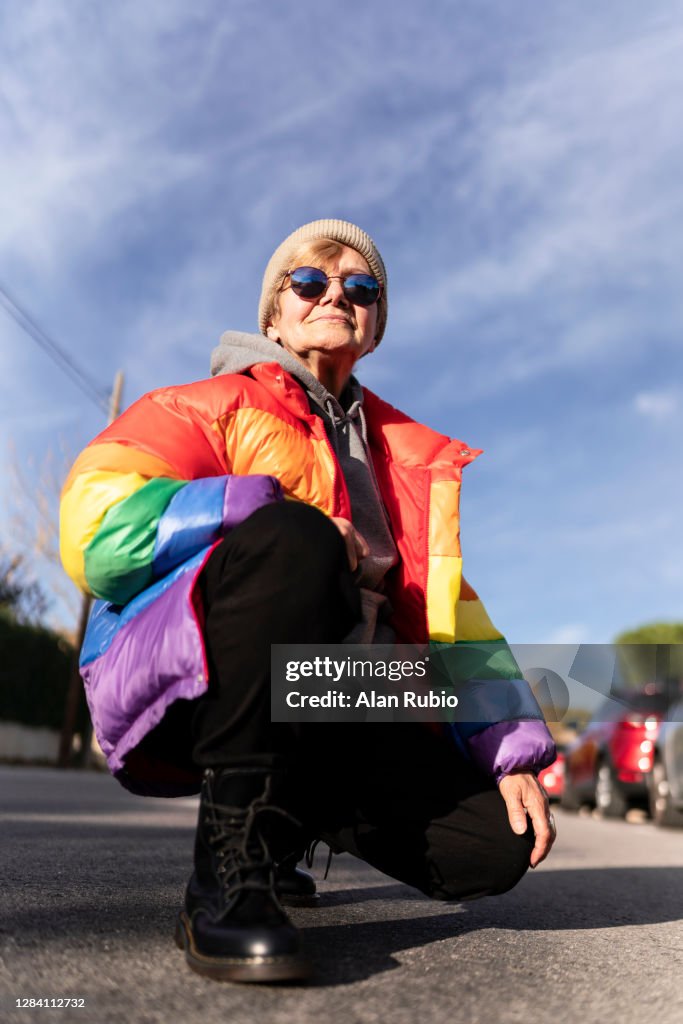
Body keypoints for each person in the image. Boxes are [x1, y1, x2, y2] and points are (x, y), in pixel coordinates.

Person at [60, 219, 557, 984]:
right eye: (309, 281)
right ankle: (226, 873)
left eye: (360, 288)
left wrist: (511, 748)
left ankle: (292, 819)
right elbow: (94, 527)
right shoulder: (207, 405)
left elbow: (455, 616)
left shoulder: (405, 457)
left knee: (493, 849)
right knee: (296, 537)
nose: (335, 295)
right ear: (273, 314)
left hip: (344, 691)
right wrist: (257, 507)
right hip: (208, 670)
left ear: (375, 323)